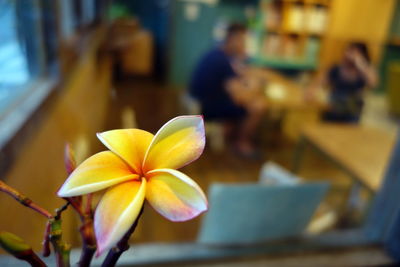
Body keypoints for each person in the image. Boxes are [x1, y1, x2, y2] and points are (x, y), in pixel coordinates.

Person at [189, 23, 266, 158]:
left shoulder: (218, 54)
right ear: (233, 39)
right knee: (257, 106)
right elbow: (240, 98)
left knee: (253, 102)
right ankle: (242, 144)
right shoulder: (222, 60)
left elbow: (234, 77)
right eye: (242, 40)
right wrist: (256, 87)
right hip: (207, 107)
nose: (244, 45)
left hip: (201, 98)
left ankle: (234, 133)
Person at [307, 42, 378, 123]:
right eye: (348, 51)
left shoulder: (364, 70)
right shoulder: (336, 68)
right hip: (334, 108)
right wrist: (311, 91)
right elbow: (319, 82)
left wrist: (361, 64)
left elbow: (373, 83)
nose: (350, 55)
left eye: (355, 53)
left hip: (353, 109)